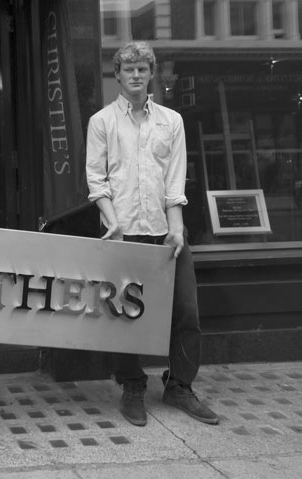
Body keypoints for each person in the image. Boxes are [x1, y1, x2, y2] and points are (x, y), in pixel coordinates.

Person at [85, 42, 218, 427]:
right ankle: (132, 387)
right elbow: (96, 180)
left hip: (166, 233)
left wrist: (176, 229)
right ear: (117, 74)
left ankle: (180, 386)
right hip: (122, 233)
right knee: (124, 315)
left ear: (151, 73)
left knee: (185, 312)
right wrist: (112, 222)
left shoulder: (171, 121)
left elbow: (175, 181)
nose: (136, 75)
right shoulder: (102, 122)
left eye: (142, 69)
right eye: (129, 69)